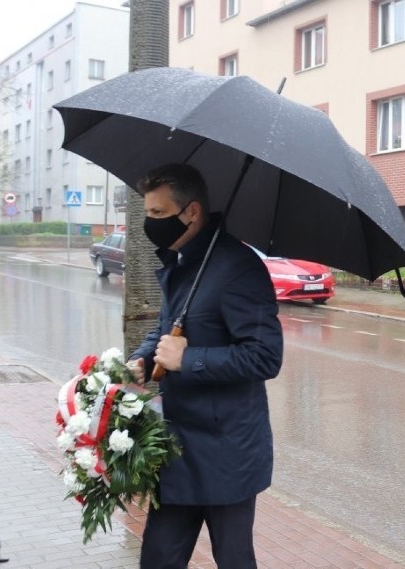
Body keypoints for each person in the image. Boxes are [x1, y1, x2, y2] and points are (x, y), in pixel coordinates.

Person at [127, 163, 284, 568]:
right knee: (158, 557)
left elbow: (265, 356)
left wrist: (188, 360)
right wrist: (143, 358)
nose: (150, 224)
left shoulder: (238, 268)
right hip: (177, 449)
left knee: (232, 559)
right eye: (148, 214)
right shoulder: (182, 263)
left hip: (227, 452)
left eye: (159, 214)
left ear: (191, 212)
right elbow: (170, 330)